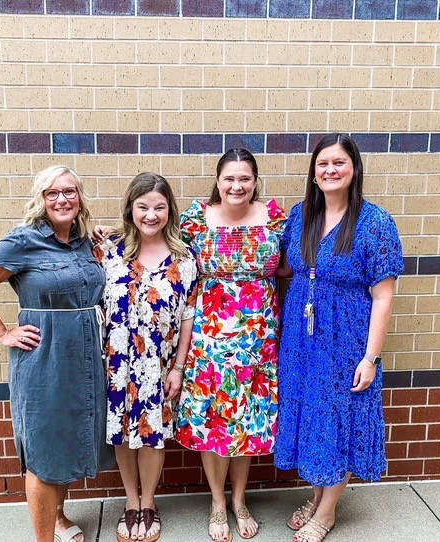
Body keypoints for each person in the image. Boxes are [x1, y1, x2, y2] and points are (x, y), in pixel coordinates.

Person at [0, 165, 114, 542]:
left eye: (69, 191)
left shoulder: (84, 242)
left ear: (80, 197)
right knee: (45, 449)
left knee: (69, 437)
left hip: (85, 356)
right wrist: (3, 333)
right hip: (44, 359)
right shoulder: (23, 241)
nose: (62, 199)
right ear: (41, 199)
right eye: (52, 193)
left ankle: (58, 517)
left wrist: (109, 238)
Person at [274, 133, 404, 542]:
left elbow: (383, 296)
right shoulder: (301, 216)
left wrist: (370, 357)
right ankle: (317, 498)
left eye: (339, 163)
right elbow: (281, 265)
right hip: (301, 339)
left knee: (338, 420)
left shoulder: (375, 223)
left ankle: (327, 512)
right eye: (323, 164)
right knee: (314, 417)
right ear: (314, 173)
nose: (330, 170)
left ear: (354, 169)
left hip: (346, 341)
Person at [174, 149, 287, 542]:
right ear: (218, 181)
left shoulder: (274, 217)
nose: (237, 186)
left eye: (245, 178)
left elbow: (293, 262)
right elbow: (161, 246)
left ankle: (240, 500)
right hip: (210, 338)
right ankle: (218, 501)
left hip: (259, 338)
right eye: (229, 178)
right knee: (215, 419)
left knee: (249, 419)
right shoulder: (196, 219)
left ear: (255, 181)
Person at [95, 173, 197, 542]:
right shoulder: (109, 252)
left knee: (152, 433)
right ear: (130, 209)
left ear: (170, 211)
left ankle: (149, 502)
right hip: (117, 362)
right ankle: (130, 500)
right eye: (142, 207)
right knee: (123, 432)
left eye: (159, 207)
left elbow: (188, 317)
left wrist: (179, 368)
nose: (150, 215)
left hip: (159, 363)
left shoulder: (185, 259)